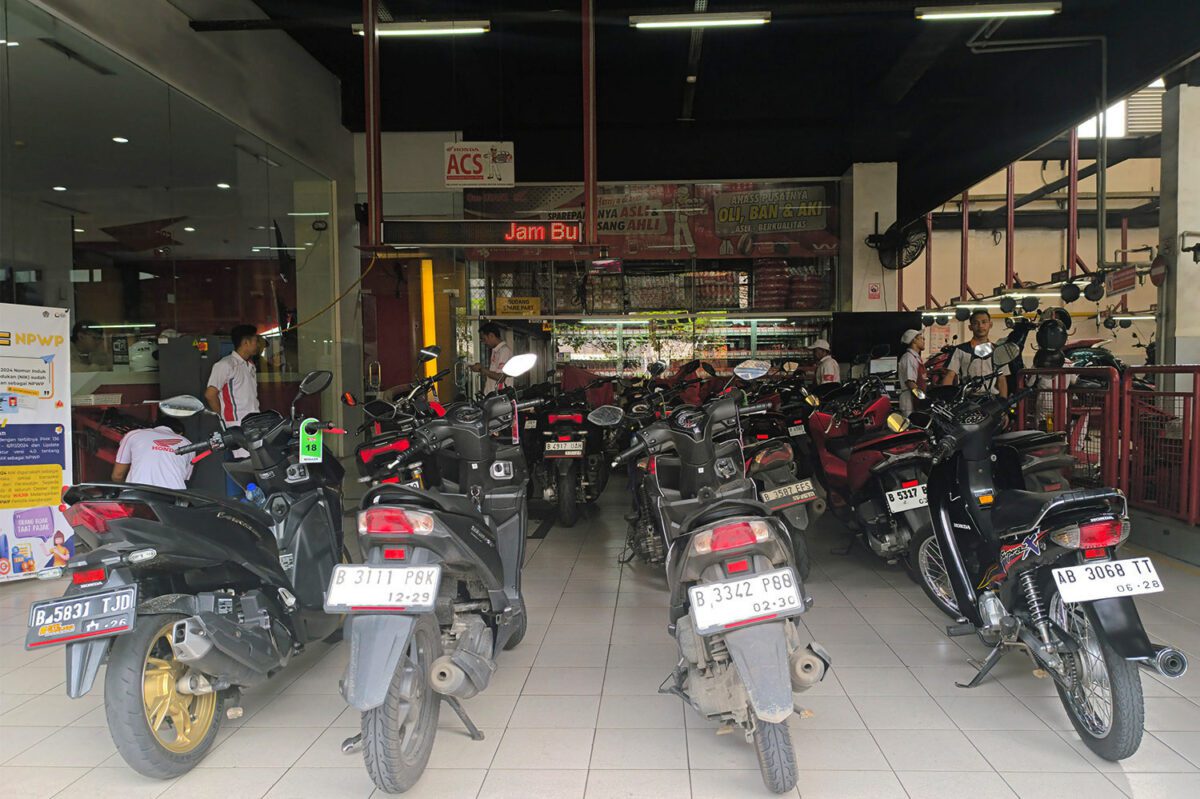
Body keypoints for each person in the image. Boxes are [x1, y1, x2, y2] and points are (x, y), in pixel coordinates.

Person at [112, 415, 194, 490]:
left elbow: (118, 475)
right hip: (172, 496)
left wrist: (123, 490)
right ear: (180, 434)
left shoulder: (134, 435)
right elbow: (183, 478)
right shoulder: (188, 444)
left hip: (137, 493)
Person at [942, 309, 1009, 398]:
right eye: (976, 323)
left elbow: (1002, 379)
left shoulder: (998, 351)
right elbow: (950, 376)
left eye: (984, 322)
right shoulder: (960, 350)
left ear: (990, 325)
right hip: (967, 399)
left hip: (991, 400)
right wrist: (945, 398)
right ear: (970, 327)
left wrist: (1003, 401)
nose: (980, 326)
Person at [470, 322, 513, 394]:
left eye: (484, 339)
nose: (484, 342)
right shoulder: (496, 350)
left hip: (499, 395)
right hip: (493, 393)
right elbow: (495, 372)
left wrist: (481, 369)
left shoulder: (504, 351)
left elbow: (500, 377)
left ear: (491, 335)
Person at [897, 329, 927, 416]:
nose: (924, 340)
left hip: (915, 399)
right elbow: (910, 383)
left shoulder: (915, 358)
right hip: (909, 401)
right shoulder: (908, 358)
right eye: (921, 338)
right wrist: (923, 398)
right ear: (914, 340)